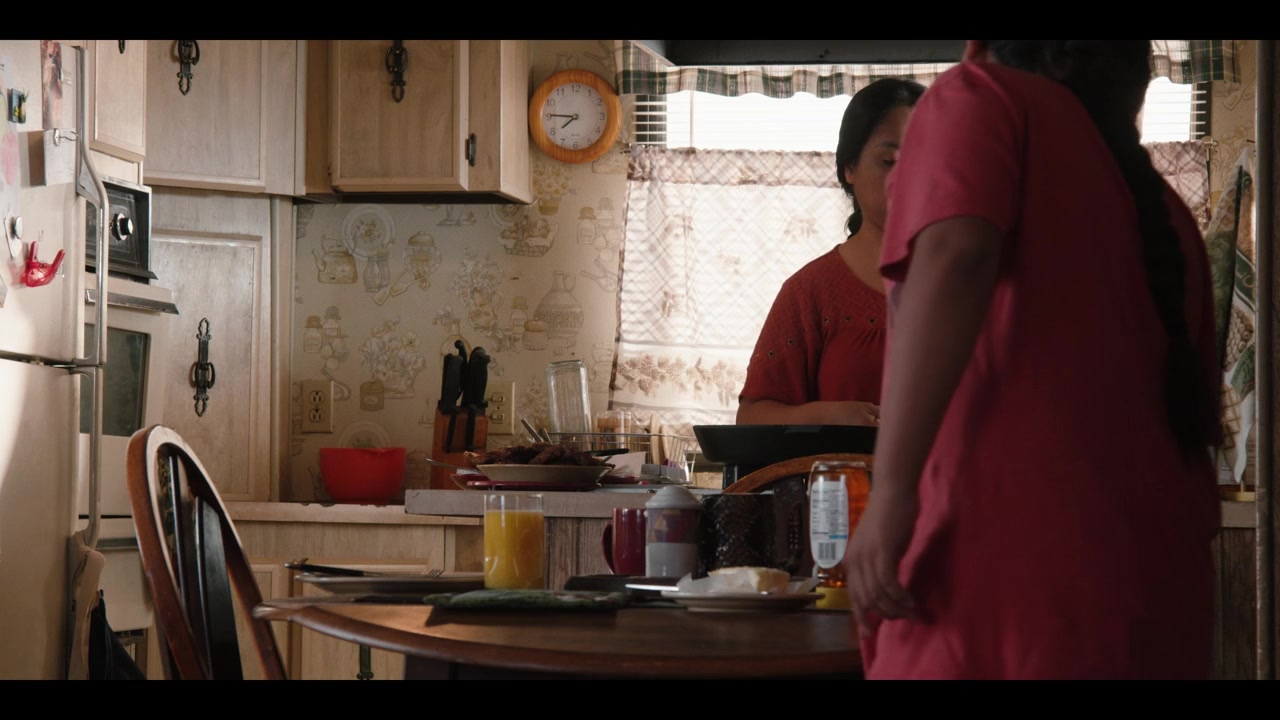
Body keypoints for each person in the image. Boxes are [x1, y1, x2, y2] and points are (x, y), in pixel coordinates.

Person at [843, 41, 1224, 680]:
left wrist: (893, 493)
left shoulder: (980, 99)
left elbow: (956, 256)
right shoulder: (1166, 211)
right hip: (1159, 604)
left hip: (1011, 585)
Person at [736, 77, 925, 426]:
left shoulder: (976, 282)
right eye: (889, 161)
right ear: (849, 168)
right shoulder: (811, 291)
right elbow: (751, 418)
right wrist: (824, 415)